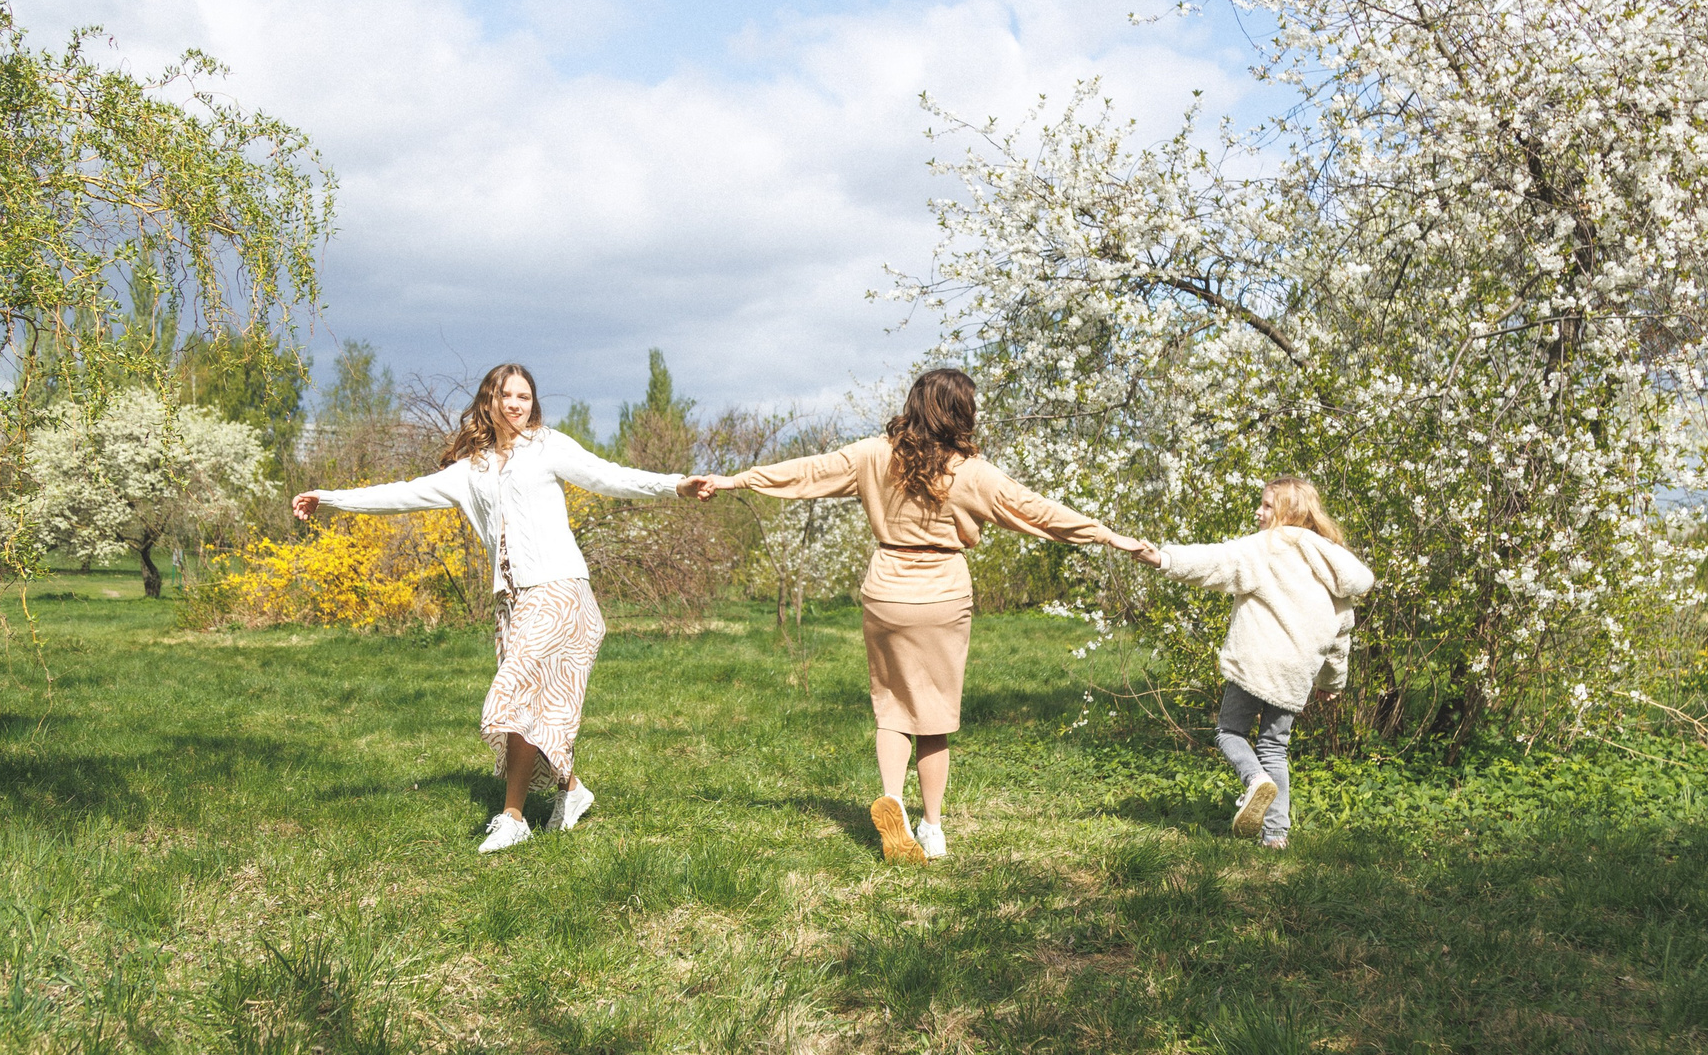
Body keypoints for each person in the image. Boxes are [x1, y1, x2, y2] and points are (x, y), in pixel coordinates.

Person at [682, 368, 1156, 864]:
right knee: (934, 717)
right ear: (960, 412)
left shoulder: (872, 455)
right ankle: (932, 827)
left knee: (892, 708)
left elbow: (807, 472)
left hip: (886, 593)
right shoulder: (971, 473)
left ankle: (894, 802)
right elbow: (1036, 511)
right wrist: (1107, 535)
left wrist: (735, 480)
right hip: (942, 597)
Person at [291, 362, 683, 855]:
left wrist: (677, 484)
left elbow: (610, 477)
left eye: (524, 396)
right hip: (512, 603)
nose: (516, 404)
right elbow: (401, 494)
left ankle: (513, 817)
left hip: (560, 590)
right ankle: (571, 789)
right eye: (506, 395)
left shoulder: (547, 446)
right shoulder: (469, 471)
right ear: (488, 401)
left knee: (515, 696)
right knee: (539, 705)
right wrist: (329, 499)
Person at [1152, 476, 1374, 851]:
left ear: (1290, 511)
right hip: (1296, 672)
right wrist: (1331, 683)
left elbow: (1216, 562)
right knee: (1274, 747)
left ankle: (1255, 779)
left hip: (1256, 661)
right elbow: (1341, 633)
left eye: (1268, 505)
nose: (1259, 511)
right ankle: (1275, 837)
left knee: (1229, 732)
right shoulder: (1333, 562)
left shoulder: (1268, 545)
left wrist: (1164, 559)